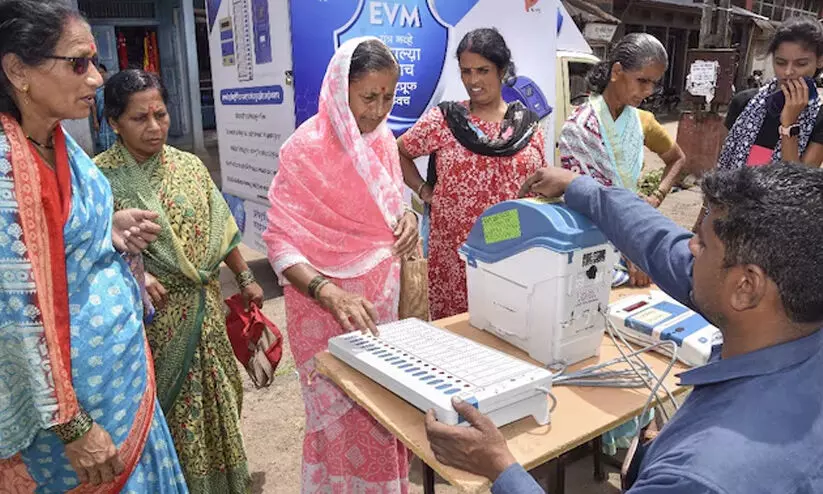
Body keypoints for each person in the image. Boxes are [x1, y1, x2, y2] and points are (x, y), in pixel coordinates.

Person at [425, 163, 823, 493]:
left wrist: (500, 468)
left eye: (702, 243)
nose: (689, 248)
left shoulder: (699, 475)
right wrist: (585, 191)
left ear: (746, 286)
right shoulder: (793, 313)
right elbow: (662, 245)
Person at [0, 1, 187, 492]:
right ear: (18, 70)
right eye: (78, 63)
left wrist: (108, 227)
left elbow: (56, 237)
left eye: (95, 63)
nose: (97, 79)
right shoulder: (4, 170)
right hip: (70, 421)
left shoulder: (56, 141)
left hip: (121, 385)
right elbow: (14, 314)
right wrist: (72, 425)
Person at [94, 69, 263, 493]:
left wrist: (244, 276)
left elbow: (220, 227)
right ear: (114, 123)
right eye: (139, 118)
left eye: (161, 114)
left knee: (219, 405)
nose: (154, 127)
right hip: (156, 324)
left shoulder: (189, 165)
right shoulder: (98, 180)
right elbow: (88, 252)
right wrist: (138, 272)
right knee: (173, 418)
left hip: (205, 310)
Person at [263, 37, 417, 492]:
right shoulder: (303, 149)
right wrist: (328, 292)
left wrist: (407, 217)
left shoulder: (385, 141)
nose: (378, 109)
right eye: (369, 96)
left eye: (389, 97)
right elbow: (279, 241)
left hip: (379, 308)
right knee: (337, 418)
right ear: (339, 89)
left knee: (384, 410)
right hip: (323, 311)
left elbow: (391, 202)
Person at [398, 28, 547, 320]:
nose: (473, 81)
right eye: (466, 71)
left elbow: (538, 186)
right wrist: (423, 190)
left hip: (509, 250)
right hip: (454, 253)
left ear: (501, 70)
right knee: (455, 338)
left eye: (483, 70)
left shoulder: (527, 126)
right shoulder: (446, 120)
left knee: (505, 329)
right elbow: (398, 151)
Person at [559, 33, 686, 289]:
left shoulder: (642, 122)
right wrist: (631, 248)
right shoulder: (579, 126)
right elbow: (587, 199)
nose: (648, 91)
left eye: (654, 84)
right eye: (642, 81)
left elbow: (677, 159)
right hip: (590, 242)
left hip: (631, 236)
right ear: (617, 71)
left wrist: (657, 196)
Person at [721, 18, 823, 171]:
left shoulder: (819, 119)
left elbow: (799, 183)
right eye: (781, 62)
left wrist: (789, 124)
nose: (788, 72)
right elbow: (722, 162)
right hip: (733, 193)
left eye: (801, 64)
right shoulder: (744, 103)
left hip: (781, 196)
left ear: (820, 62)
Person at [91, 63, 116, 155]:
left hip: (113, 118)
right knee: (103, 138)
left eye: (102, 72)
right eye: (98, 72)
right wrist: (95, 121)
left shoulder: (112, 87)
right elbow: (93, 105)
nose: (100, 74)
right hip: (102, 119)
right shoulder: (94, 90)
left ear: (106, 73)